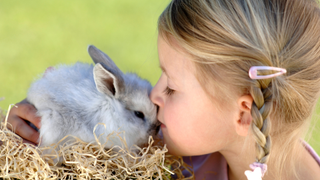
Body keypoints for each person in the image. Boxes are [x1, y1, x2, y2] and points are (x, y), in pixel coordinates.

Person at [7, 0, 320, 179]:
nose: (155, 96)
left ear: (243, 113)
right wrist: (34, 128)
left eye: (171, 88)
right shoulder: (166, 155)